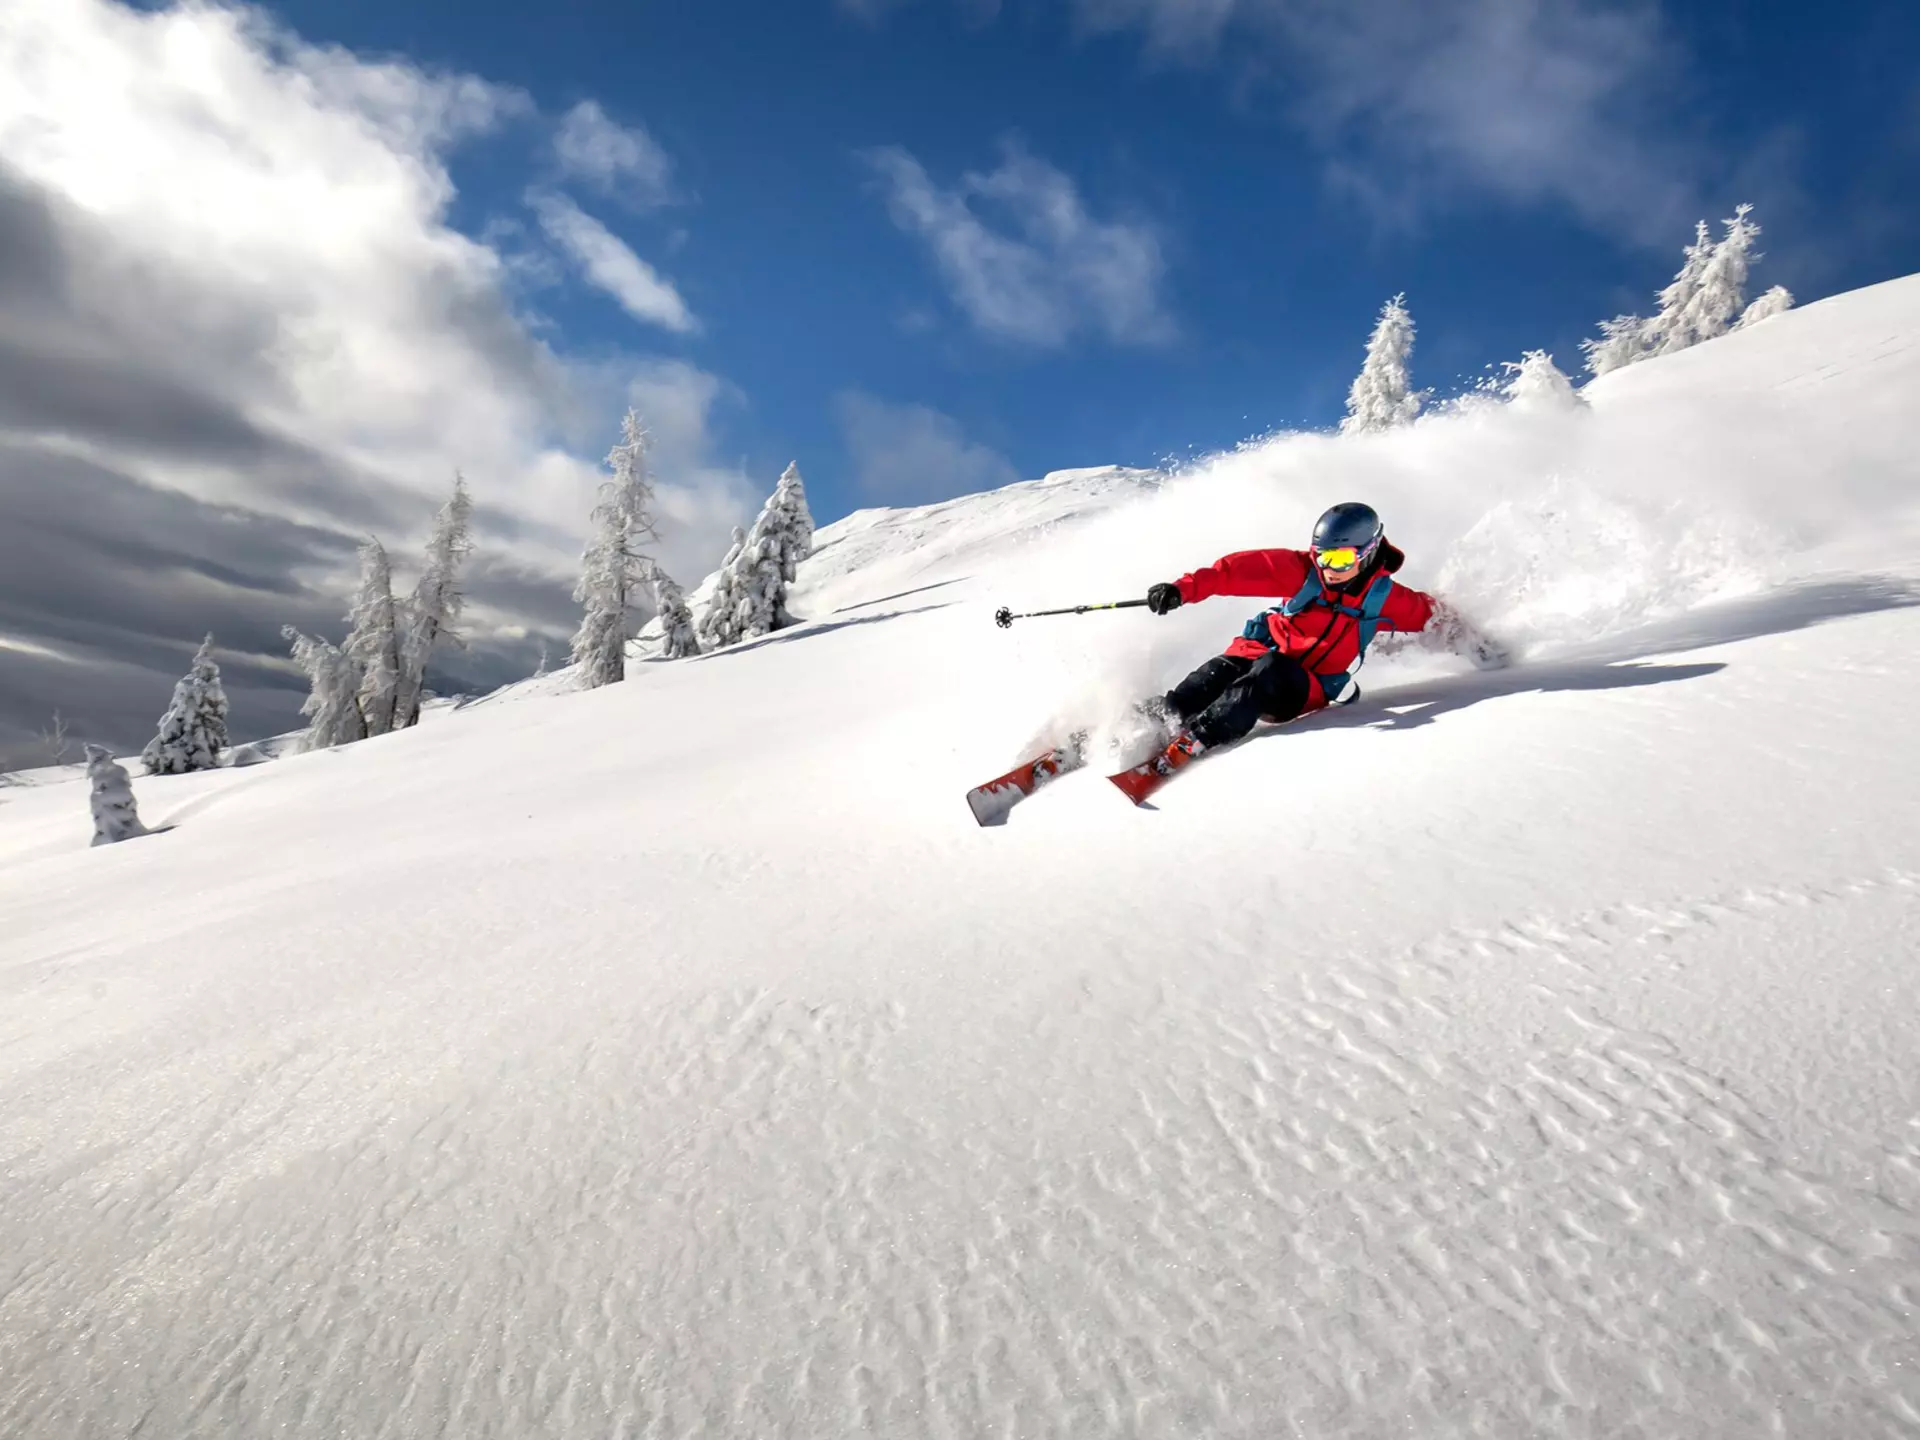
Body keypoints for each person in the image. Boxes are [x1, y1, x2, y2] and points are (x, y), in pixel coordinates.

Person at [1140, 501, 1438, 755]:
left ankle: (1200, 739)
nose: (1328, 568)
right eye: (1322, 556)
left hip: (1306, 686)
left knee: (1272, 671)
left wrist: (1477, 639)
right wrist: (1182, 590)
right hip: (1260, 651)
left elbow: (1435, 617)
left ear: (1368, 551)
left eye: (1341, 559)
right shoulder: (1302, 571)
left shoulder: (1386, 598)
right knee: (1219, 671)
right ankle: (1150, 722)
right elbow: (1234, 572)